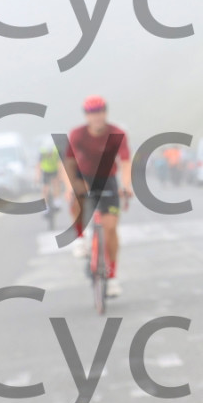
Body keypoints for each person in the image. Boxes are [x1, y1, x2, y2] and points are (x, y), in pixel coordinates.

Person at [60, 95, 133, 298]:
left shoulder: (117, 133)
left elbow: (125, 162)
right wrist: (69, 187)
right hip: (83, 176)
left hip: (107, 179)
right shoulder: (78, 134)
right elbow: (67, 163)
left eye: (100, 111)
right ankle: (80, 238)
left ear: (106, 113)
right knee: (77, 195)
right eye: (92, 113)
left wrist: (126, 185)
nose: (96, 116)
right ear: (86, 116)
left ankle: (112, 277)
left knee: (110, 229)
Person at [38, 140, 63, 211]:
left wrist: (60, 175)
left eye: (50, 152)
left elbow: (60, 164)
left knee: (56, 185)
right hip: (46, 171)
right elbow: (38, 165)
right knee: (45, 189)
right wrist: (38, 176)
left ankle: (57, 200)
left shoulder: (56, 151)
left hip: (54, 170)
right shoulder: (42, 152)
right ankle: (45, 205)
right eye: (48, 153)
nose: (49, 154)